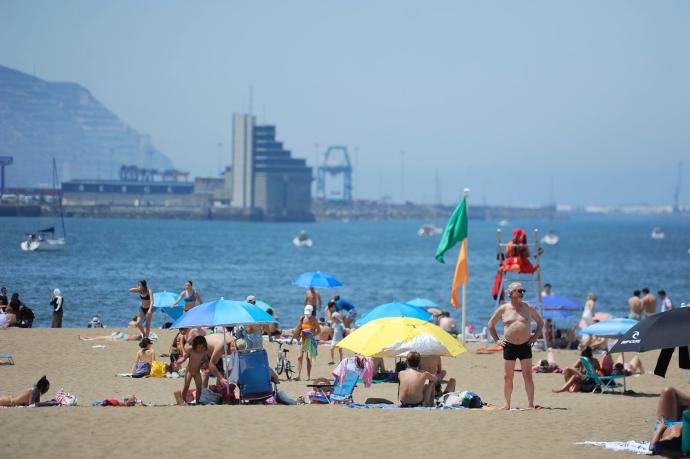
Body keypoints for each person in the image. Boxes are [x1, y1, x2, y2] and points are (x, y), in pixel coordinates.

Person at [488, 282, 544, 410]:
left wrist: (534, 338)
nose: (522, 293)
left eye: (523, 291)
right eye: (519, 291)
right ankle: (507, 404)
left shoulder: (528, 307)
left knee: (528, 375)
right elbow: (491, 324)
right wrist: (497, 340)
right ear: (511, 293)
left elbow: (540, 323)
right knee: (508, 376)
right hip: (509, 346)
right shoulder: (504, 309)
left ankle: (530, 404)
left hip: (525, 345)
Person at [182, 335, 227, 405]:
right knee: (186, 386)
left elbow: (206, 361)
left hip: (197, 372)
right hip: (189, 372)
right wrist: (178, 362)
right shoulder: (191, 351)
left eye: (202, 347)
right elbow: (184, 357)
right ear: (195, 346)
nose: (200, 349)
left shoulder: (204, 352)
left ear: (205, 346)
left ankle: (197, 401)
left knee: (199, 388)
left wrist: (206, 365)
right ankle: (183, 400)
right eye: (199, 347)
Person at [649, 387, 690, 454]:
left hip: (666, 423)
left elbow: (652, 447)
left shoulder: (669, 438)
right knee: (668, 392)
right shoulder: (683, 439)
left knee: (667, 391)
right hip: (676, 423)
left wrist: (660, 429)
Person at [293, 304, 320, 381]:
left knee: (308, 358)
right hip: (302, 339)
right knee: (299, 357)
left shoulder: (314, 319)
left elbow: (319, 331)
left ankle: (308, 376)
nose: (307, 314)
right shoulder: (302, 318)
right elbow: (298, 328)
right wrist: (293, 337)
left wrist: (312, 334)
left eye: (309, 313)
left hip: (310, 340)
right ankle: (298, 376)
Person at [79, 330, 150, 342]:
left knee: (97, 338)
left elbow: (120, 340)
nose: (136, 334)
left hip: (112, 338)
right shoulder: (129, 336)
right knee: (97, 337)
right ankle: (87, 338)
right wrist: (118, 333)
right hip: (113, 336)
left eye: (137, 335)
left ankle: (85, 339)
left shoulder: (129, 338)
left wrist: (113, 338)